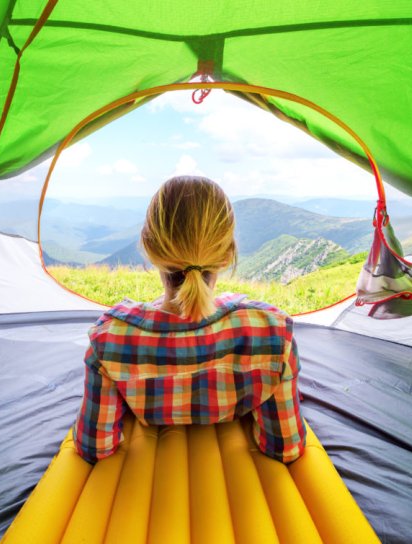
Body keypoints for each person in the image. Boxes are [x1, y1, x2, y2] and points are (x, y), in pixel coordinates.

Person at [73, 176, 305, 464]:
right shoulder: (273, 332)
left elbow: (94, 448)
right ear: (227, 254)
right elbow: (286, 448)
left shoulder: (109, 339)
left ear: (149, 249)